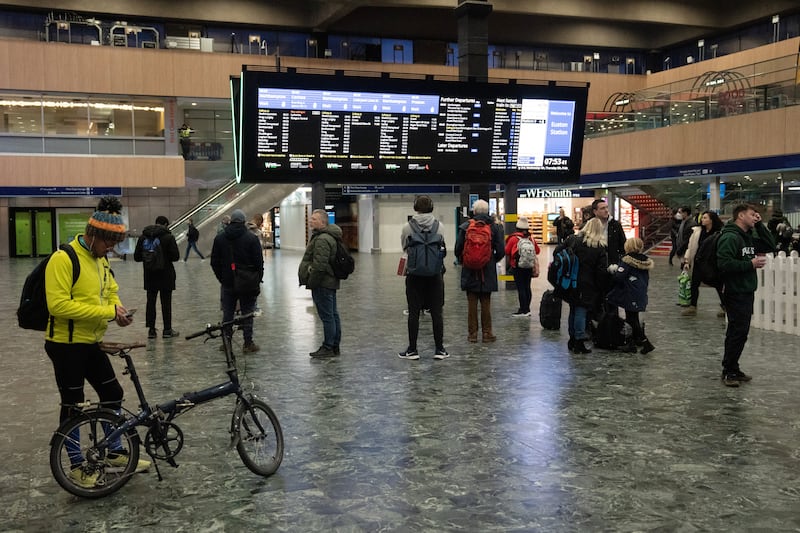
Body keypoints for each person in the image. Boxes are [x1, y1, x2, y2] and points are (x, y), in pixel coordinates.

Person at [44, 196, 149, 488]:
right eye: (107, 243)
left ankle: (113, 450)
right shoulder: (63, 258)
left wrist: (118, 311)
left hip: (90, 342)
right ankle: (77, 465)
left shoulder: (100, 259)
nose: (110, 249)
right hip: (65, 345)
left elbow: (111, 290)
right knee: (73, 404)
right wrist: (106, 311)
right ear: (93, 236)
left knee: (112, 393)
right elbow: (58, 306)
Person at [717, 203, 768, 387]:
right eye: (752, 214)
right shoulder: (730, 237)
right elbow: (724, 264)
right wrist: (750, 264)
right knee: (737, 332)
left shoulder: (748, 237)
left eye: (757, 215)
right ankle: (729, 370)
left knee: (740, 332)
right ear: (740, 216)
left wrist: (760, 225)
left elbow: (769, 245)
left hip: (746, 290)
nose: (755, 217)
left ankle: (733, 367)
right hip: (735, 290)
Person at [398, 195, 448, 360]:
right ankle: (439, 349)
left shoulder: (407, 227)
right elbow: (442, 246)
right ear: (432, 207)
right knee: (436, 312)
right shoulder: (439, 226)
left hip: (414, 275)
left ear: (415, 207)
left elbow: (405, 247)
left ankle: (412, 349)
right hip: (435, 274)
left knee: (413, 312)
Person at [210, 209, 263, 353]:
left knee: (228, 313)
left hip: (227, 281)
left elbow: (214, 262)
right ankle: (248, 343)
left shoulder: (220, 238)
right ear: (244, 221)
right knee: (247, 312)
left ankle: (226, 342)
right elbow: (259, 262)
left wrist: (222, 277)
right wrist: (258, 279)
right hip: (248, 281)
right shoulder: (251, 238)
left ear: (231, 220)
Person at [454, 199, 505, 343]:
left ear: (474, 211)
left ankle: (472, 334)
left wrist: (465, 260)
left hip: (470, 269)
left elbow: (458, 249)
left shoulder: (465, 227)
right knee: (486, 302)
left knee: (471, 303)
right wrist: (491, 259)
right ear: (487, 211)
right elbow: (501, 250)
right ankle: (487, 333)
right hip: (487, 270)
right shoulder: (495, 228)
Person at [557, 217, 608, 354]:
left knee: (573, 309)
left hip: (571, 281)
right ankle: (579, 340)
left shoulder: (575, 241)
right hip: (588, 284)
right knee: (581, 310)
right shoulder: (599, 247)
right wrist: (602, 287)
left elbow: (558, 251)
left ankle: (572, 338)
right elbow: (601, 271)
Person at [298, 209, 343, 358]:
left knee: (327, 316)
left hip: (323, 283)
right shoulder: (327, 236)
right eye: (311, 218)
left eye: (314, 219)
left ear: (323, 222)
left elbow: (320, 265)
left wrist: (312, 282)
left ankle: (328, 346)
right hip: (329, 282)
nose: (311, 221)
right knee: (332, 314)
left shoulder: (322, 239)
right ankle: (334, 345)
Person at [134, 215, 181, 338]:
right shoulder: (168, 237)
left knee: (151, 302)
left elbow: (137, 257)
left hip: (150, 275)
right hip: (166, 275)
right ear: (165, 224)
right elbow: (175, 257)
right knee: (166, 303)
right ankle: (167, 330)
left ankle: (151, 331)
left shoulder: (143, 237)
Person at [607, 237, 655, 354]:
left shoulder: (627, 261)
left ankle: (645, 342)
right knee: (633, 317)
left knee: (631, 319)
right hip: (640, 293)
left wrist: (613, 271)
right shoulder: (645, 261)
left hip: (629, 293)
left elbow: (619, 277)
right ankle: (632, 343)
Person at [682, 210, 725, 317]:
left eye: (705, 218)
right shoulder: (697, 231)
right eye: (702, 217)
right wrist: (687, 260)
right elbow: (690, 246)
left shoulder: (719, 232)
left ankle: (725, 306)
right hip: (698, 261)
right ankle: (693, 306)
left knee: (718, 284)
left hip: (712, 263)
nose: (702, 219)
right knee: (694, 284)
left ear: (712, 220)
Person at [504, 216, 540, 317]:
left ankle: (522, 310)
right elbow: (537, 251)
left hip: (517, 266)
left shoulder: (513, 238)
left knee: (521, 288)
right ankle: (527, 309)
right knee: (527, 287)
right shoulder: (531, 238)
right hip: (529, 266)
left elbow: (506, 251)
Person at [590, 199, 626, 266]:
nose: (606, 210)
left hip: (613, 264)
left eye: (606, 207)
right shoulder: (589, 225)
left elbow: (623, 245)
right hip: (594, 265)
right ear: (595, 211)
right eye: (602, 208)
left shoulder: (615, 225)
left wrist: (620, 262)